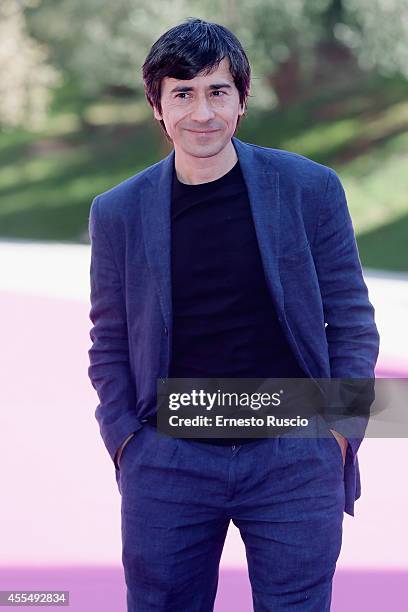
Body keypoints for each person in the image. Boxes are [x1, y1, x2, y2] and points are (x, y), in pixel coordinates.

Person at [87, 17, 380, 611]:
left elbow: (352, 322)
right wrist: (126, 442)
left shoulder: (308, 189)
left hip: (294, 454)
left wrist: (341, 435)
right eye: (183, 93)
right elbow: (109, 341)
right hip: (168, 460)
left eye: (218, 91)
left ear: (242, 101)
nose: (202, 113)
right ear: (157, 107)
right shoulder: (117, 212)